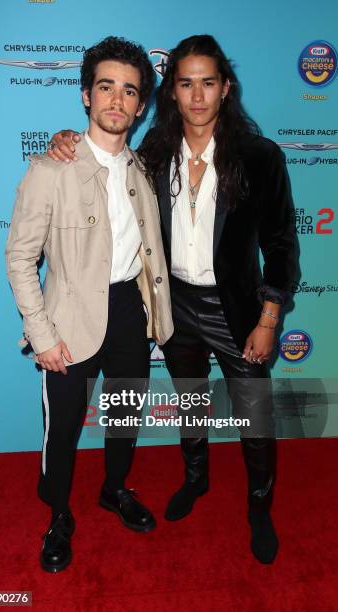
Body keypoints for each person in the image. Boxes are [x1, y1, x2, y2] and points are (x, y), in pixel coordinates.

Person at [47, 34, 296, 564]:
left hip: (238, 311)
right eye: (186, 83)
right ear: (172, 94)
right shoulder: (153, 156)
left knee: (255, 418)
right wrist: (63, 138)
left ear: (226, 88)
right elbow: (102, 155)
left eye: (209, 82)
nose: (198, 95)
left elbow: (281, 246)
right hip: (175, 305)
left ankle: (259, 507)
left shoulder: (260, 157)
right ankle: (195, 481)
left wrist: (269, 317)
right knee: (191, 403)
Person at [6, 36, 173, 573]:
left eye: (129, 91)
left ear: (141, 104)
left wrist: (151, 318)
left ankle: (115, 488)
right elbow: (19, 257)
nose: (116, 101)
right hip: (70, 316)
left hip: (130, 312)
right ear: (86, 95)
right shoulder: (51, 167)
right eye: (106, 87)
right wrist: (42, 332)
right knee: (64, 428)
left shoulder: (144, 169)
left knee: (125, 415)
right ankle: (58, 515)